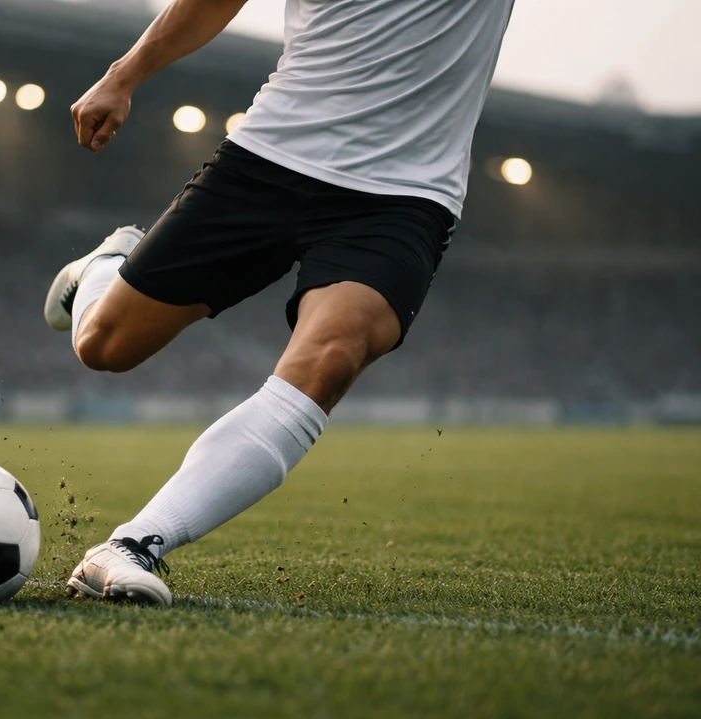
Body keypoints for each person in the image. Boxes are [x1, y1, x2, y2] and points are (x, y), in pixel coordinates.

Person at [44, 0, 516, 606]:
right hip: (276, 156)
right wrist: (124, 74)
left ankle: (134, 545)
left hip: (403, 194)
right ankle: (105, 267)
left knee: (332, 356)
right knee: (105, 346)